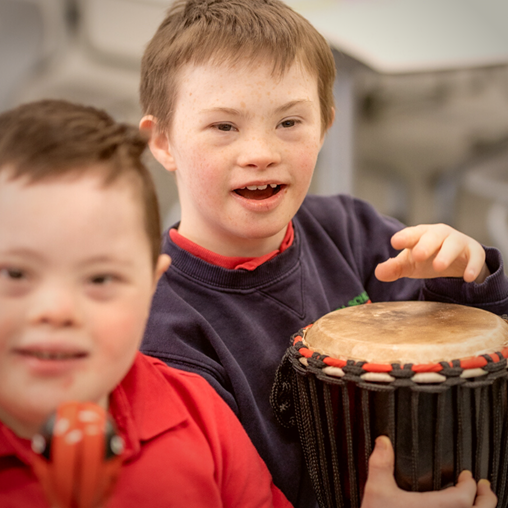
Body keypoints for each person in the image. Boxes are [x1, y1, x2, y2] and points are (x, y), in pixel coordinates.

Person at [138, 1, 508, 507]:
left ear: (327, 123)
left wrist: (463, 279)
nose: (261, 151)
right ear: (163, 141)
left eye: (289, 122)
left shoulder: (351, 229)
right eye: (224, 127)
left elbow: (475, 370)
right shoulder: (162, 326)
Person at [0, 99, 293, 507]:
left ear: (151, 287)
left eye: (101, 278)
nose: (57, 311)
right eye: (14, 274)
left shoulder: (200, 413)